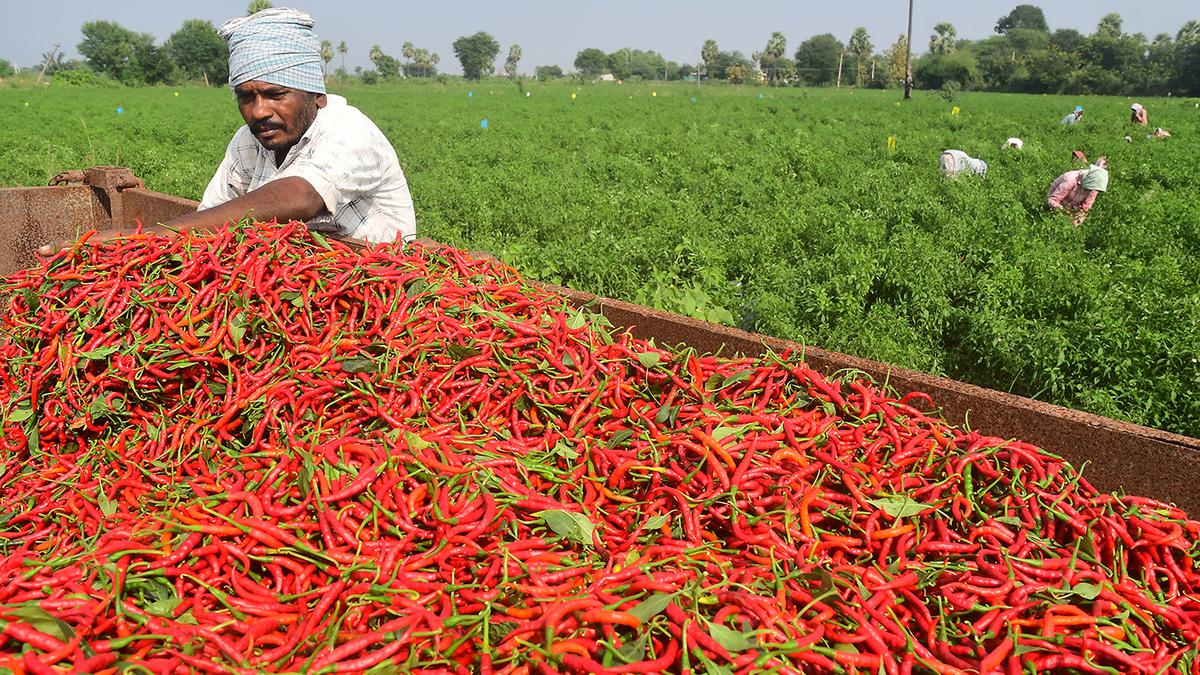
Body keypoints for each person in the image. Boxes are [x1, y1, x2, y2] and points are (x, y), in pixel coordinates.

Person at [41, 8, 415, 256]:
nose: (259, 112)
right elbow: (211, 218)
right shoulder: (247, 143)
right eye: (246, 97)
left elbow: (300, 195)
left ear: (314, 93)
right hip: (297, 288)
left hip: (376, 287)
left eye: (275, 94)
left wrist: (143, 236)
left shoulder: (349, 131)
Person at [1047, 158, 1108, 226]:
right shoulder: (1071, 180)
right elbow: (1052, 200)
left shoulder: (1094, 188)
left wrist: (1078, 219)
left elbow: (1085, 208)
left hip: (1071, 207)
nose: (1091, 191)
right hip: (1057, 205)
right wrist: (1064, 212)